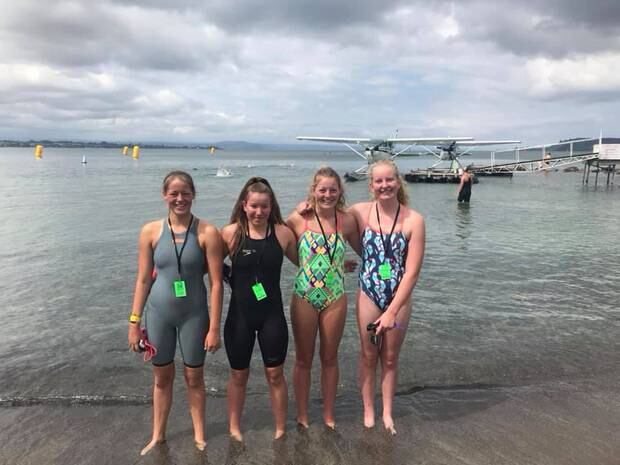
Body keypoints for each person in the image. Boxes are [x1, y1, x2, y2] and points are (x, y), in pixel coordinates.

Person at [128, 170, 224, 455]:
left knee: (194, 377)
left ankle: (199, 434)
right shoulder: (149, 231)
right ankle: (158, 434)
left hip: (194, 316)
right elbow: (143, 280)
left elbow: (216, 284)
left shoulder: (207, 232)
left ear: (194, 194)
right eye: (174, 193)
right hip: (159, 315)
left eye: (185, 193)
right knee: (161, 377)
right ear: (164, 195)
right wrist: (134, 322)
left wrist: (214, 327)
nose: (180, 199)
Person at [350, 159, 425, 435]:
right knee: (369, 356)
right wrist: (304, 208)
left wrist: (392, 310)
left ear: (398, 181)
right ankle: (368, 409)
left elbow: (412, 273)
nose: (384, 185)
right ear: (371, 186)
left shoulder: (414, 220)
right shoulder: (360, 212)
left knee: (391, 358)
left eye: (389, 180)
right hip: (368, 295)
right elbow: (329, 218)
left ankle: (387, 412)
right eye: (378, 181)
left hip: (399, 299)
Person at [221, 177, 298, 441]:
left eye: (264, 206)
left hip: (271, 316)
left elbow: (307, 263)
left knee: (275, 373)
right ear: (244, 205)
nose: (259, 212)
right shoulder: (231, 233)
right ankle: (234, 426)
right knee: (238, 375)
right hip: (239, 316)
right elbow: (207, 262)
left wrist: (338, 265)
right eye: (254, 206)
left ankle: (280, 428)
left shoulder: (282, 233)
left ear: (271, 206)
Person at [286, 167, 361, 429]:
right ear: (313, 191)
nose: (327, 194)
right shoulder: (299, 219)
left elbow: (368, 250)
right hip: (304, 295)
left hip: (335, 295)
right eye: (322, 190)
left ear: (340, 191)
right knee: (303, 359)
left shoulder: (347, 221)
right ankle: (303, 413)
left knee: (330, 358)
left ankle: (329, 414)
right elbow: (273, 241)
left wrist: (339, 266)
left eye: (332, 189)